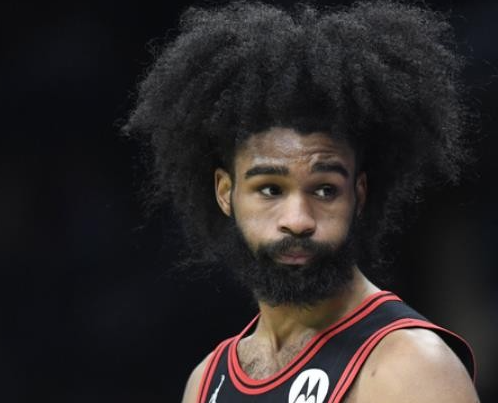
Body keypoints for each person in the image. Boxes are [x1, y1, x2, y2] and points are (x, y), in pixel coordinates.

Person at [123, 1, 479, 402]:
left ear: (358, 195)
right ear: (225, 193)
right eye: (270, 190)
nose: (298, 220)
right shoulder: (205, 382)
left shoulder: (411, 367)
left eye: (325, 190)